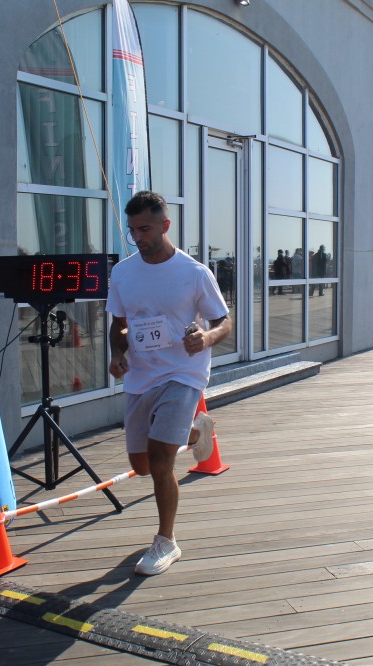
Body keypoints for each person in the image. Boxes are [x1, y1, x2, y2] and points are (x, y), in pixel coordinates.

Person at [106, 191, 232, 574]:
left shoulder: (194, 273)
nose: (138, 237)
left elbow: (224, 321)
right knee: (142, 465)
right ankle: (194, 432)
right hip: (141, 377)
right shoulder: (123, 273)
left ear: (165, 225)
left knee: (161, 461)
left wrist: (206, 338)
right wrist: (118, 353)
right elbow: (118, 324)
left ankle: (166, 541)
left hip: (183, 373)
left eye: (145, 229)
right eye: (132, 231)